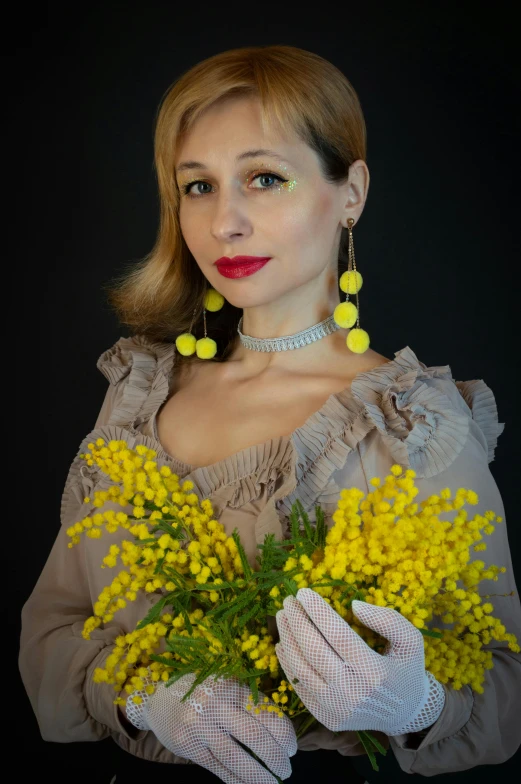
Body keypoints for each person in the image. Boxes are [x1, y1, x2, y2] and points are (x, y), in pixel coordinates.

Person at [19, 44, 521, 783]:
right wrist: (142, 695)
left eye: (264, 179)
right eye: (197, 186)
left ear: (349, 192)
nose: (225, 222)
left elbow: (504, 689)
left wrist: (414, 705)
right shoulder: (137, 396)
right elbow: (49, 636)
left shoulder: (410, 423)